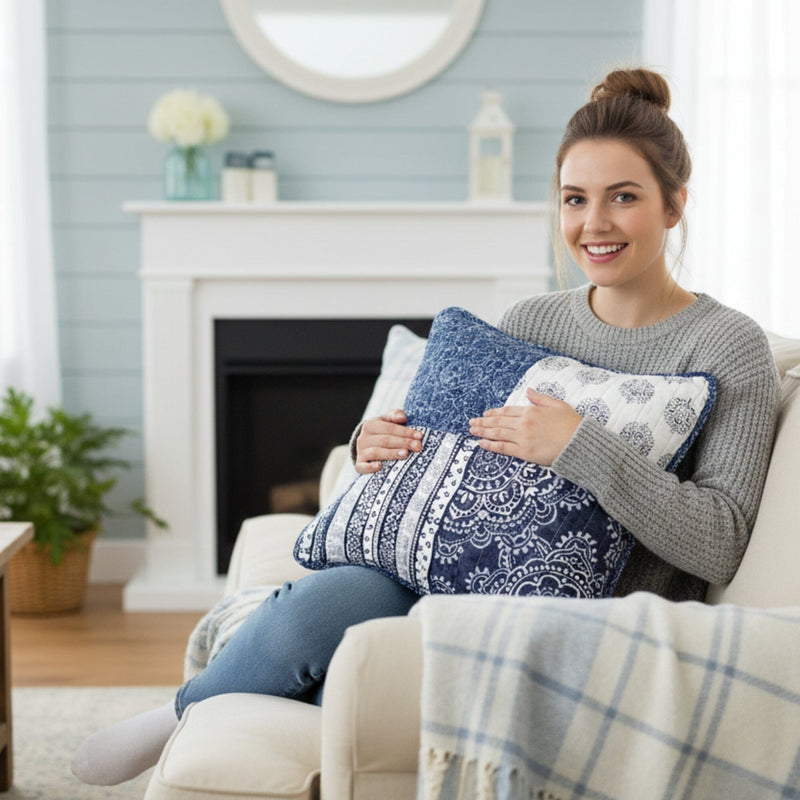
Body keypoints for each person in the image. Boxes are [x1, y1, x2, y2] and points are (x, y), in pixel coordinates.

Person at [71, 67, 779, 786]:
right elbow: (458, 454)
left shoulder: (726, 346)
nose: (593, 224)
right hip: (452, 570)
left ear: (674, 205)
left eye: (622, 198)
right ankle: (182, 714)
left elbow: (719, 540)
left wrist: (579, 446)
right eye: (574, 199)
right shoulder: (532, 322)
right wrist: (370, 448)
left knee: (372, 656)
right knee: (323, 606)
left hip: (583, 616)